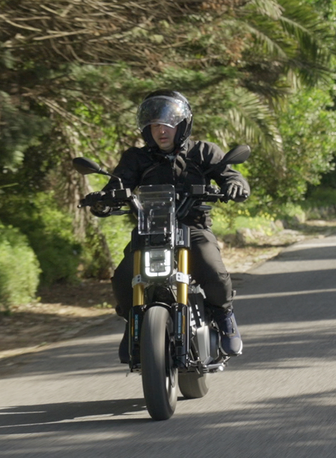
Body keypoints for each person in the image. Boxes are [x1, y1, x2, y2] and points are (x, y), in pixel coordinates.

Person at [88, 90, 249, 362]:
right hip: (149, 231)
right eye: (154, 126)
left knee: (213, 269)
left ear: (182, 125)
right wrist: (103, 200)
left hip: (192, 228)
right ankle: (134, 322)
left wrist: (234, 185)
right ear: (146, 130)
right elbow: (118, 184)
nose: (161, 131)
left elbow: (230, 175)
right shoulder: (136, 158)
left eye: (167, 125)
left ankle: (224, 316)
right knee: (123, 275)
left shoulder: (203, 152)